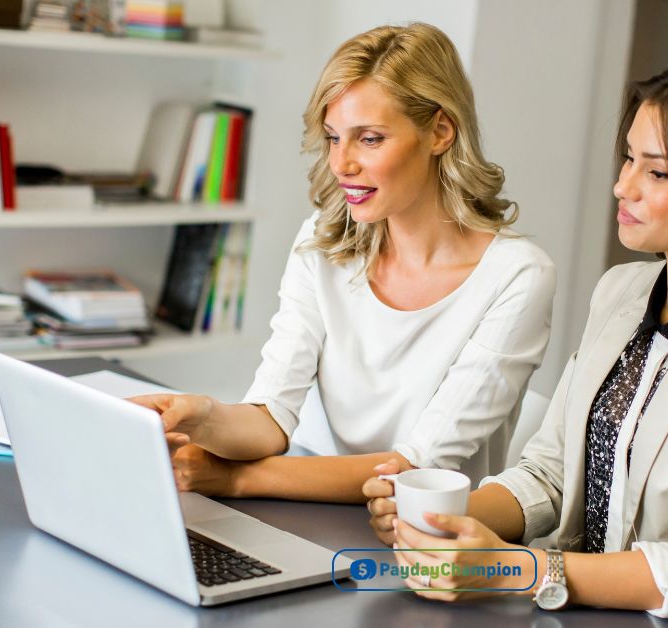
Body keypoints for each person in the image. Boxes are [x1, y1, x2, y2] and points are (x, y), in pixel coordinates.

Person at [364, 60, 668, 627]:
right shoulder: (622, 291)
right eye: (628, 158)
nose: (623, 186)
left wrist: (511, 568)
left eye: (658, 173)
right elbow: (548, 473)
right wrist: (444, 523)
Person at [131, 23, 556, 503]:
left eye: (369, 139)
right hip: (311, 513)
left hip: (429, 545)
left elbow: (414, 468)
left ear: (440, 130)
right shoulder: (323, 241)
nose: (341, 163)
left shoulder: (517, 276)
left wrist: (238, 478)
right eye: (334, 138)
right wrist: (200, 416)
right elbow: (270, 417)